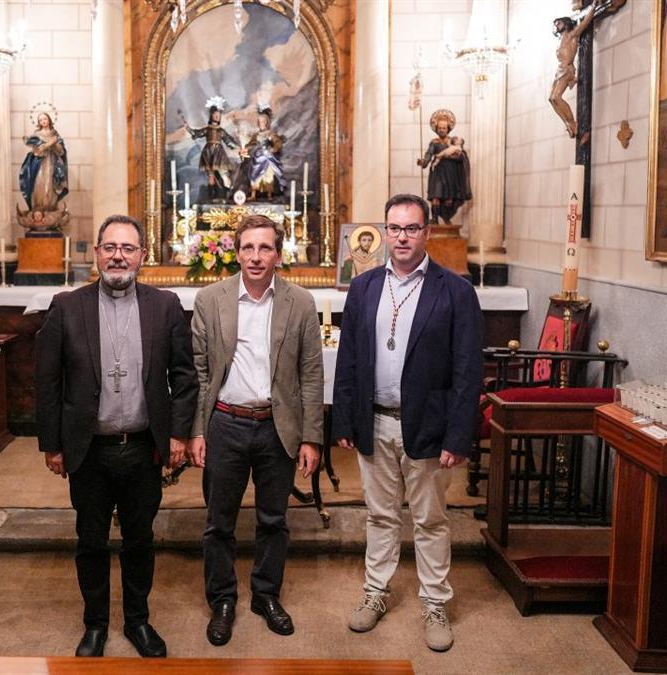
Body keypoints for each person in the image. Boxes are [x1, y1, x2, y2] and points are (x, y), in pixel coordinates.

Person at [35, 214, 197, 658]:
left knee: (140, 539)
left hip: (143, 447)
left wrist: (178, 436)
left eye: (128, 248)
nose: (118, 256)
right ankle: (95, 624)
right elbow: (47, 381)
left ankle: (138, 621)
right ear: (97, 255)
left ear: (143, 256)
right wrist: (51, 444)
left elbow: (184, 378)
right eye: (110, 247)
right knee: (90, 540)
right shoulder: (68, 306)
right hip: (89, 449)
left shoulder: (164, 306)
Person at [332, 194, 483, 652]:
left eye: (411, 228)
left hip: (429, 427)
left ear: (427, 232)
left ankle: (435, 602)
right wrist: (344, 418)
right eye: (394, 228)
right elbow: (350, 360)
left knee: (430, 521)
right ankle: (376, 593)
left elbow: (467, 371)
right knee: (379, 516)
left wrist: (459, 434)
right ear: (384, 232)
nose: (401, 237)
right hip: (373, 422)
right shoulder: (364, 287)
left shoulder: (455, 291)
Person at [188, 214, 323, 647]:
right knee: (218, 523)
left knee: (273, 520)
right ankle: (222, 598)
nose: (255, 256)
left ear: (278, 255)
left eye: (265, 248)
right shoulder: (211, 300)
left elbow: (311, 375)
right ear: (237, 251)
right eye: (248, 247)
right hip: (225, 422)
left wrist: (311, 437)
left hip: (276, 427)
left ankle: (265, 595)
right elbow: (200, 372)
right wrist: (196, 431)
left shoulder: (299, 302)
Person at [547, 3, 610, 138]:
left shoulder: (572, 35)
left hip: (567, 70)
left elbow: (584, 23)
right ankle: (568, 123)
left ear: (565, 23)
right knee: (551, 99)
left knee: (556, 97)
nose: (557, 26)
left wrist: (592, 8)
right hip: (560, 70)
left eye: (559, 23)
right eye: (556, 24)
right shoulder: (561, 39)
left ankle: (572, 122)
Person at [415, 110, 471, 226]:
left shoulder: (453, 142)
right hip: (437, 173)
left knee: (448, 199)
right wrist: (423, 162)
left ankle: (446, 218)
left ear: (448, 129)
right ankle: (434, 220)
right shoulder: (434, 143)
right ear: (436, 128)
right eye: (439, 128)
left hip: (450, 174)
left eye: (444, 128)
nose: (441, 130)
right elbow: (428, 155)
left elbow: (461, 156)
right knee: (436, 195)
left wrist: (452, 156)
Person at [185, 96, 239, 203]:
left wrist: (238, 148)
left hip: (219, 154)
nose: (217, 117)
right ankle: (212, 196)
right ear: (211, 116)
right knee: (211, 175)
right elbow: (198, 133)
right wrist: (189, 129)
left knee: (224, 174)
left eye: (219, 115)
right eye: (215, 115)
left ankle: (227, 191)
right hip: (209, 153)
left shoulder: (221, 131)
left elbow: (228, 140)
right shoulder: (207, 129)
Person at [19, 109, 69, 215]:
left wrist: (53, 143)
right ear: (39, 122)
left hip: (52, 164)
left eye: (45, 118)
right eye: (40, 119)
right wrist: (44, 146)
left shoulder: (55, 134)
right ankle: (38, 210)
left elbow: (60, 152)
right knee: (38, 183)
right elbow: (35, 151)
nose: (43, 121)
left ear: (49, 120)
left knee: (50, 185)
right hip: (39, 164)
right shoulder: (36, 134)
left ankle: (50, 209)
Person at [234, 105, 285, 201]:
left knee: (268, 176)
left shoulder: (271, 134)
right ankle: (253, 194)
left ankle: (269, 194)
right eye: (260, 121)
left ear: (267, 122)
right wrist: (246, 149)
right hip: (257, 158)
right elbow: (250, 144)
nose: (262, 123)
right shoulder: (256, 135)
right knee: (254, 175)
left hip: (268, 157)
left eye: (264, 121)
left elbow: (277, 142)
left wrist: (274, 148)